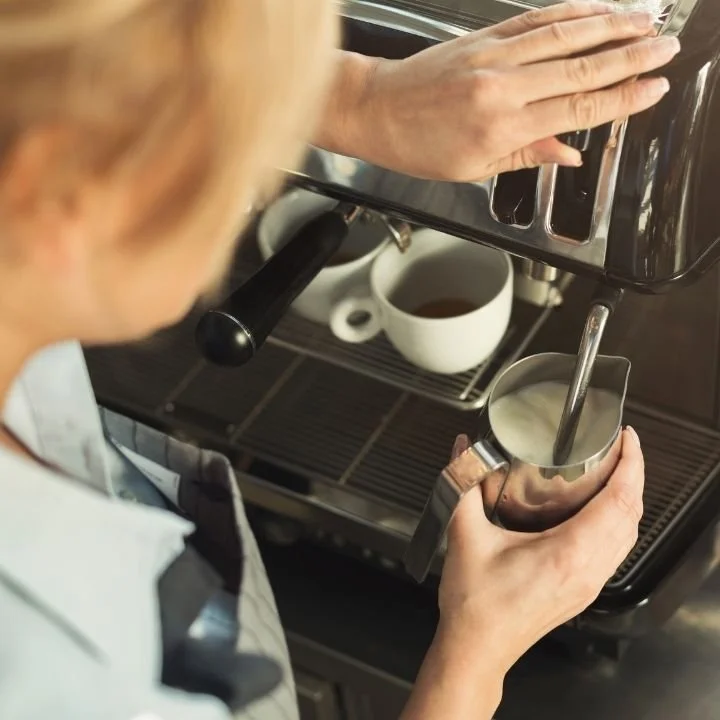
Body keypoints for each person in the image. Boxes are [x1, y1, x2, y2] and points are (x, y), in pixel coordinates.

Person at [0, 1, 669, 718]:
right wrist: (475, 655)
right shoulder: (61, 677)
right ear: (60, 187)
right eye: (240, 151)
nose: (261, 176)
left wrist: (361, 100)